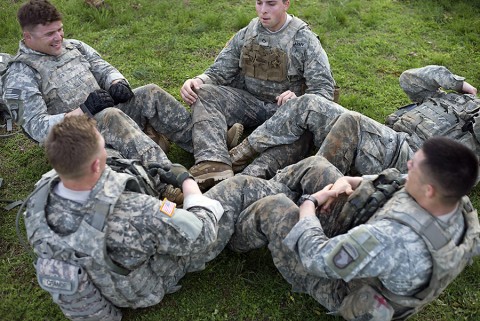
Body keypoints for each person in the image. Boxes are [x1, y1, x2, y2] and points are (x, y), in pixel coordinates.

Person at [228, 137, 480, 320]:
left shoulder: (391, 240)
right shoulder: (454, 203)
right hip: (369, 248)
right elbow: (397, 182)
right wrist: (349, 182)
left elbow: (317, 259)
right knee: (317, 166)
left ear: (429, 190)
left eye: (415, 166)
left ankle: (230, 236)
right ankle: (260, 187)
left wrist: (308, 207)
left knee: (275, 208)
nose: (409, 165)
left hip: (345, 287)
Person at [24, 115, 224, 320]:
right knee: (237, 190)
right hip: (143, 286)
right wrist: (187, 183)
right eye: (102, 148)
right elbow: (202, 233)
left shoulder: (37, 200)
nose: (105, 150)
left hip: (105, 279)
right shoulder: (136, 211)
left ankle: (164, 175)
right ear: (95, 166)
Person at [3, 0, 193, 169]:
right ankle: (168, 177)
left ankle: (205, 149)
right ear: (28, 37)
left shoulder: (74, 46)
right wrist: (84, 110)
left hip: (110, 117)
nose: (59, 37)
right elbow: (37, 129)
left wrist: (117, 83)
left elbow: (103, 68)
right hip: (77, 139)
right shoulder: (20, 75)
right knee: (110, 119)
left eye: (60, 29)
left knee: (150, 92)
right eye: (50, 34)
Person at [181, 0, 336, 187]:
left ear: (286, 4)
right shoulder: (249, 32)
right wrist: (199, 80)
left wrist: (299, 100)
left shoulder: (304, 40)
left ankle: (242, 182)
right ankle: (213, 162)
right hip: (250, 103)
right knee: (204, 93)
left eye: (271, 4)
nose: (263, 10)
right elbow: (220, 69)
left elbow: (323, 90)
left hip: (287, 114)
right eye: (259, 3)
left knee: (295, 140)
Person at [230, 65, 480, 177]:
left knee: (352, 121)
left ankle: (311, 185)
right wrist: (457, 83)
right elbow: (409, 79)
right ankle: (238, 157)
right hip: (387, 137)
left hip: (411, 161)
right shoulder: (456, 98)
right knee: (308, 104)